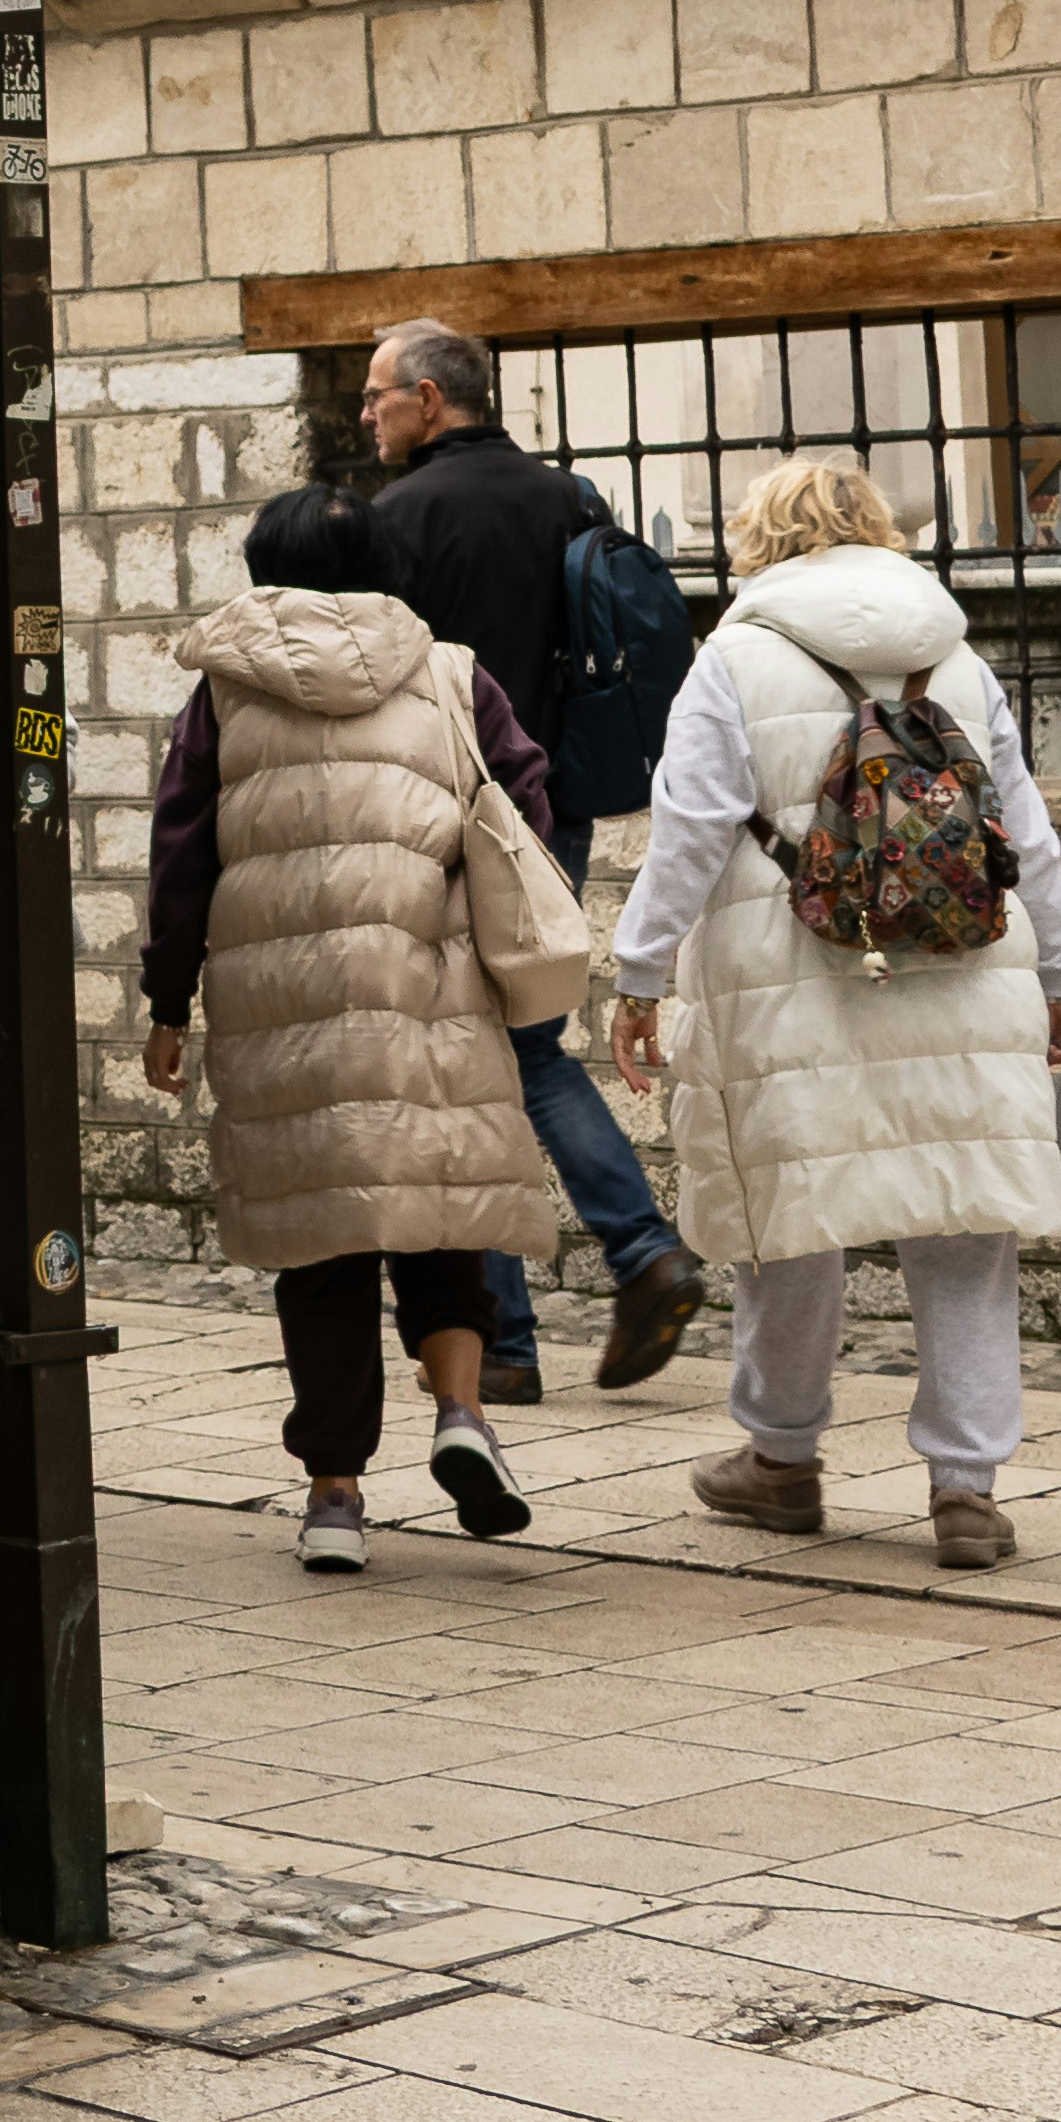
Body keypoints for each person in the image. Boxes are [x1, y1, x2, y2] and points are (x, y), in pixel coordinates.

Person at [604, 457, 1061, 1570]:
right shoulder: (955, 654)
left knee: (789, 1216)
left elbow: (686, 831)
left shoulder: (733, 657)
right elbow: (1030, 831)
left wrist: (637, 976)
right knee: (965, 1220)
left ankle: (781, 1461)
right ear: (878, 529)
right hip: (963, 967)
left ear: (760, 541)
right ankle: (967, 1489)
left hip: (795, 970)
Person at [141, 488, 594, 1571]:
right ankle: (463, 1415)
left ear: (264, 566)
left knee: (321, 1244)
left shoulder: (227, 692)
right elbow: (523, 800)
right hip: (428, 986)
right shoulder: (448, 669)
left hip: (278, 1002)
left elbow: (183, 848)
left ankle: (335, 1496)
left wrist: (167, 1000)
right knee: (439, 1214)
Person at [343, 319, 709, 1400]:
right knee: (522, 1040)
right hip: (554, 809)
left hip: (445, 816)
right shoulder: (570, 499)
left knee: (479, 1058)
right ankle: (609, 1271)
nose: (365, 414)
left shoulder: (395, 518)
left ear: (425, 396)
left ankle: (523, 1322)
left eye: (376, 395)